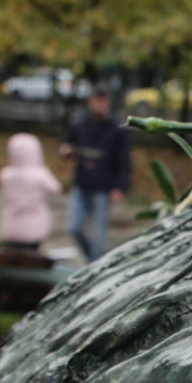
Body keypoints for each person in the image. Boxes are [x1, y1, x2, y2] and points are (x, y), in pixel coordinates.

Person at [59, 90, 131, 262]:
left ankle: (94, 266)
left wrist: (120, 187)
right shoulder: (80, 124)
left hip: (103, 188)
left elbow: (125, 161)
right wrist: (66, 151)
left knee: (99, 237)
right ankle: (95, 263)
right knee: (74, 227)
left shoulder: (117, 128)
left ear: (108, 102)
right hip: (82, 183)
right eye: (95, 101)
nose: (99, 105)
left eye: (102, 101)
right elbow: (67, 144)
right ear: (90, 102)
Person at [0, 133, 61, 251]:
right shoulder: (40, 175)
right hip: (34, 227)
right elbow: (55, 189)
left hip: (12, 226)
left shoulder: (6, 174)